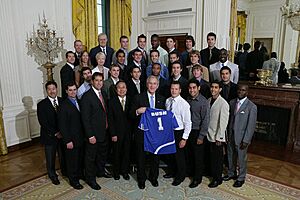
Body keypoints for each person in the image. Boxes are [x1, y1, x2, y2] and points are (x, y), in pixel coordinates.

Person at [130, 75, 166, 189]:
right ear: (146, 84)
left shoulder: (162, 99)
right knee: (140, 157)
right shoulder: (138, 98)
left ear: (158, 85)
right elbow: (130, 114)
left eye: (154, 84)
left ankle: (153, 177)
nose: (152, 86)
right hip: (142, 133)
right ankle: (141, 179)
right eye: (150, 83)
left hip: (156, 134)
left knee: (155, 157)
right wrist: (137, 111)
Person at [81, 72, 112, 190]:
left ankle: (100, 171)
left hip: (104, 131)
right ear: (92, 82)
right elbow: (85, 118)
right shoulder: (86, 96)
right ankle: (91, 179)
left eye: (101, 80)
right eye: (97, 80)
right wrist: (90, 135)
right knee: (91, 158)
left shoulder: (103, 93)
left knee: (102, 155)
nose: (99, 83)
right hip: (93, 134)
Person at [223, 84, 257, 188]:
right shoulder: (232, 102)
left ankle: (241, 177)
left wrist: (246, 140)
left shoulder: (251, 107)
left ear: (247, 92)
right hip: (231, 135)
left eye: (243, 90)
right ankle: (231, 173)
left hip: (242, 138)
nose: (240, 92)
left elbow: (251, 126)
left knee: (241, 159)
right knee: (230, 155)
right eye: (239, 90)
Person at [37, 81, 66, 185]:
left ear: (56, 89)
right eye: (49, 89)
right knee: (50, 157)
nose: (52, 91)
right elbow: (43, 122)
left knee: (63, 156)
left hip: (63, 135)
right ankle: (52, 175)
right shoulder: (41, 104)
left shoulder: (63, 101)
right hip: (49, 136)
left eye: (53, 88)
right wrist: (55, 133)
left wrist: (63, 132)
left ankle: (65, 172)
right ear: (46, 91)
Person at [58, 82, 84, 190]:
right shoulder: (63, 106)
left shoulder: (80, 101)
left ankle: (79, 175)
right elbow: (62, 125)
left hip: (81, 137)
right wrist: (67, 140)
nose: (73, 92)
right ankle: (74, 180)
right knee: (72, 161)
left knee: (79, 159)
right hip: (71, 139)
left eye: (74, 89)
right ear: (66, 91)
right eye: (70, 90)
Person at [165, 81, 192, 186]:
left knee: (179, 156)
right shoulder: (168, 101)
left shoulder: (184, 104)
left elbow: (188, 123)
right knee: (170, 154)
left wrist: (184, 138)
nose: (174, 91)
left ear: (180, 90)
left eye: (176, 89)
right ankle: (172, 172)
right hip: (169, 131)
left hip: (179, 132)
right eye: (172, 89)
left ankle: (180, 176)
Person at [186, 79, 210, 188]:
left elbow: (206, 120)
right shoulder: (187, 99)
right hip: (188, 131)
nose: (192, 90)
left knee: (198, 157)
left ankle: (197, 178)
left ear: (198, 88)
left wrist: (201, 136)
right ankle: (190, 172)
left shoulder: (203, 102)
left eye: (194, 88)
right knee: (190, 154)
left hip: (198, 132)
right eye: (190, 88)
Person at [207, 82, 229, 188]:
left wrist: (220, 137)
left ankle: (217, 179)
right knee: (211, 158)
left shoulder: (223, 103)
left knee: (218, 160)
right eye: (212, 87)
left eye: (216, 87)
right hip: (208, 134)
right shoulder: (208, 100)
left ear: (220, 89)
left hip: (217, 136)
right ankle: (214, 176)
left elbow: (223, 122)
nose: (213, 89)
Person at [108, 80, 131, 181]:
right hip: (116, 133)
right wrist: (113, 133)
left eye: (123, 87)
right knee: (116, 153)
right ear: (116, 90)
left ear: (126, 89)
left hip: (128, 133)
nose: (121, 89)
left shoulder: (131, 100)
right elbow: (110, 119)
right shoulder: (111, 102)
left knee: (126, 153)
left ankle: (125, 172)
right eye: (119, 88)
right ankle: (116, 172)